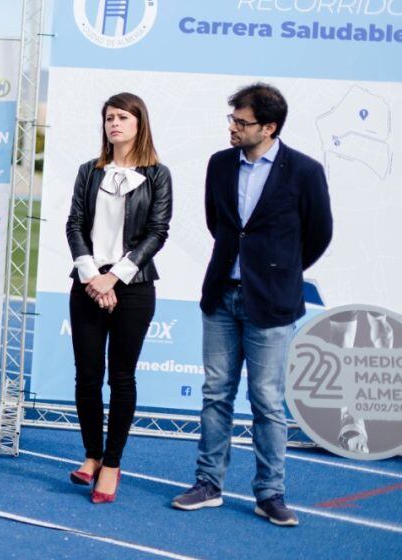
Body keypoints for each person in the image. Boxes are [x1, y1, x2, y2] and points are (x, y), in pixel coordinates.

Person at [172, 83, 332, 526]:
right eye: (232, 120)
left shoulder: (304, 171)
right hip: (222, 294)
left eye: (241, 122)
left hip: (273, 302)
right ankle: (208, 485)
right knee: (216, 395)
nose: (233, 128)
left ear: (269, 127)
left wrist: (279, 271)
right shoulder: (219, 165)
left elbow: (318, 234)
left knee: (266, 401)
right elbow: (217, 223)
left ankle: (270, 493)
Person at [64, 93, 172, 503]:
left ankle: (112, 463)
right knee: (87, 377)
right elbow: (74, 224)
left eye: (123, 117)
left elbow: (157, 232)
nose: (114, 124)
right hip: (87, 284)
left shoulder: (158, 175)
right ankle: (91, 455)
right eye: (109, 117)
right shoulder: (88, 172)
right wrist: (93, 276)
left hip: (134, 287)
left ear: (139, 123)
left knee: (121, 377)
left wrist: (115, 279)